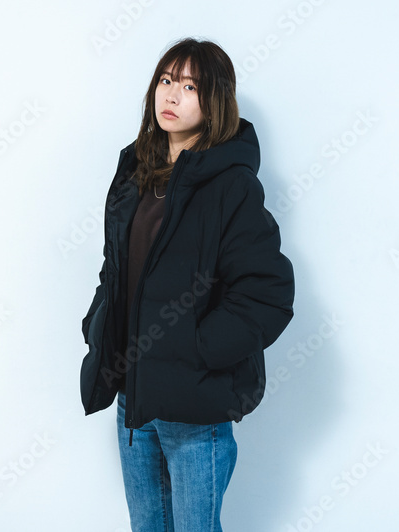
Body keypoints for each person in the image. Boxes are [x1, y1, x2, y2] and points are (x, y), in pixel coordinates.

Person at [80, 37, 295, 531]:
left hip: (195, 411)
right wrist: (98, 324)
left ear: (214, 100)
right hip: (134, 400)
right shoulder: (137, 175)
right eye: (166, 80)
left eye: (190, 86)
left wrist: (199, 350)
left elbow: (267, 293)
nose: (172, 95)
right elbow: (116, 269)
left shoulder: (232, 186)